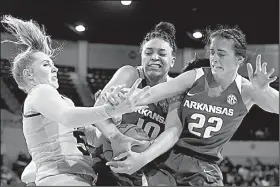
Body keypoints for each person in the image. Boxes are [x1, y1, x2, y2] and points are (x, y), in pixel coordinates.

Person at [107, 26, 279, 186]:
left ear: (239, 59)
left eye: (221, 53)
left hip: (204, 165)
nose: (214, 58)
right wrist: (120, 98)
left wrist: (265, 90)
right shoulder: (195, 76)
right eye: (212, 52)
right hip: (169, 155)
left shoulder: (246, 90)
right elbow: (153, 93)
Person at [1, 15, 150, 186]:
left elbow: (89, 138)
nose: (55, 67)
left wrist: (115, 129)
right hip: (63, 179)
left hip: (75, 178)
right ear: (28, 74)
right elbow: (68, 117)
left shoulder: (61, 102)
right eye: (46, 64)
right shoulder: (40, 91)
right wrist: (110, 110)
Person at [92, 22, 183, 186]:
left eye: (162, 53)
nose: (154, 57)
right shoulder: (130, 73)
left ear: (173, 60)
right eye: (148, 52)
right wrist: (115, 136)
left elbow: (173, 132)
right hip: (110, 157)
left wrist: (141, 159)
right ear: (142, 57)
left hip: (148, 164)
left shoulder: (175, 91)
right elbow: (97, 113)